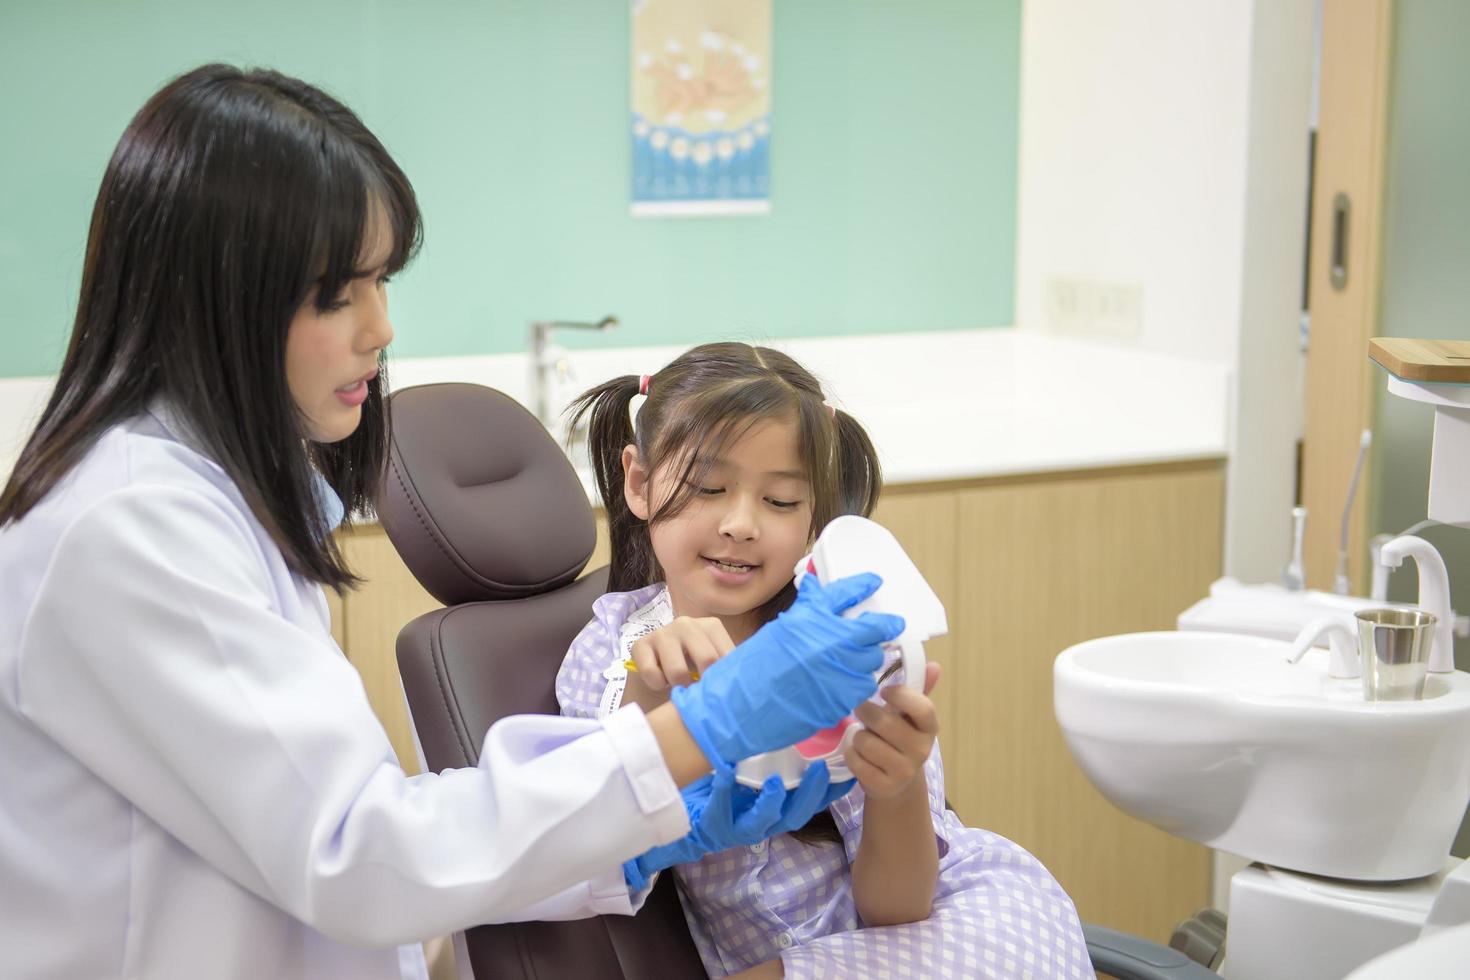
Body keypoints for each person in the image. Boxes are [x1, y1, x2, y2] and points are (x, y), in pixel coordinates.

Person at [0, 66, 902, 980]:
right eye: (336, 292)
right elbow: (357, 852)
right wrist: (700, 730)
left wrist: (636, 817)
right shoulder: (126, 534)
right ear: (213, 299)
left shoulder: (217, 504)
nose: (381, 327)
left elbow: (363, 831)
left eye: (381, 280)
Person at [557, 343, 1093, 979]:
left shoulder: (846, 642)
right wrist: (651, 694)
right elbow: (591, 840)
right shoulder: (611, 645)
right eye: (708, 487)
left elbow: (899, 911)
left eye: (781, 501)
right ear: (641, 484)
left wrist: (895, 786)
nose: (741, 523)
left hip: (945, 930)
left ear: (815, 515)